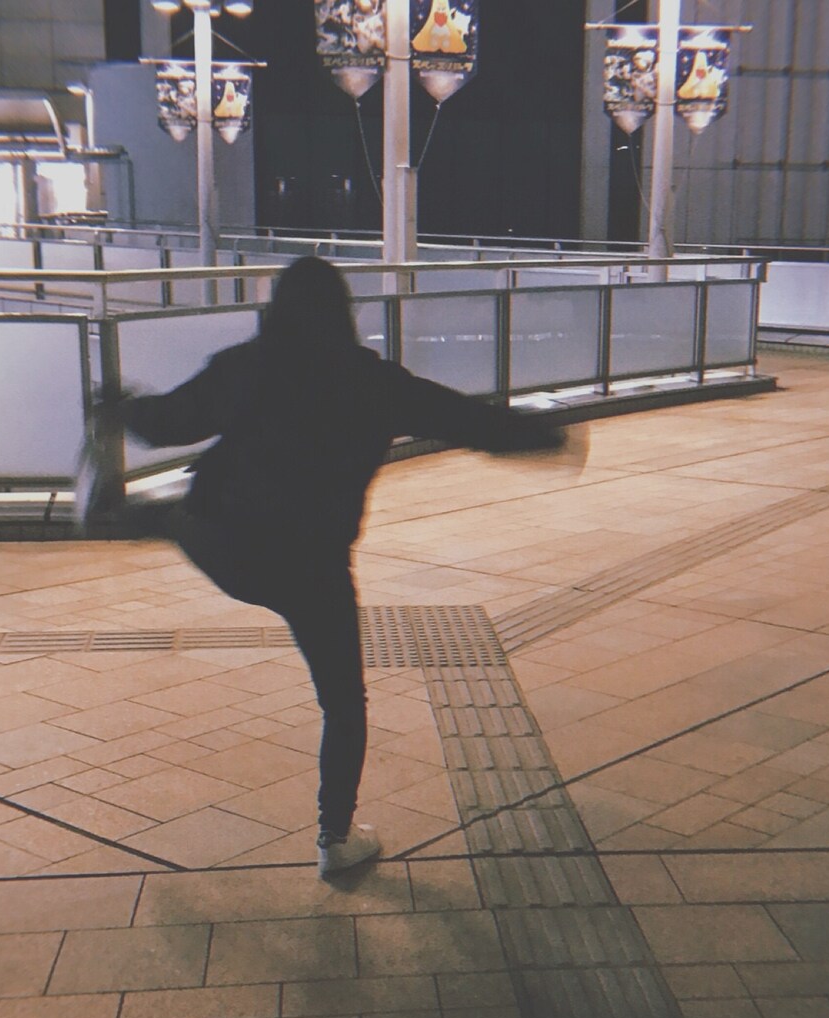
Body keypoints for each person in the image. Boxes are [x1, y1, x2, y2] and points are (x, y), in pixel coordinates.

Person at [110, 256, 557, 876]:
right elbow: (465, 420)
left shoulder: (243, 366)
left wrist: (120, 405)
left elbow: (165, 425)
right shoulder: (372, 383)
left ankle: (149, 520)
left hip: (229, 546)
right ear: (343, 314)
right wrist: (543, 436)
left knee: (179, 519)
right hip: (311, 565)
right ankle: (335, 840)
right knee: (343, 703)